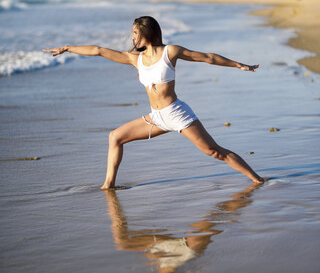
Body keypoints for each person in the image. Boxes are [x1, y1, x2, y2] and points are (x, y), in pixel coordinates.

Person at [43, 15, 264, 188]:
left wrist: (238, 64)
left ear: (146, 33)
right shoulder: (135, 59)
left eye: (135, 33)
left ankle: (257, 179)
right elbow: (99, 50)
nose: (132, 37)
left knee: (214, 151)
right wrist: (67, 48)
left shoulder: (171, 52)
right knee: (115, 137)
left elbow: (208, 57)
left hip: (177, 114)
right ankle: (108, 185)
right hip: (156, 118)